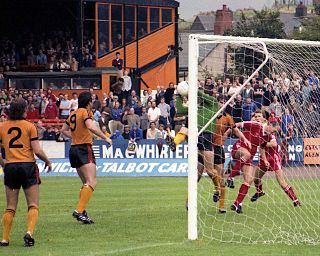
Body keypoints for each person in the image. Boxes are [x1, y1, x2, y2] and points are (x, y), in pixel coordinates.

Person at [0, 98, 52, 247]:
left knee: (10, 206)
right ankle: (29, 232)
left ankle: (5, 238)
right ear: (24, 110)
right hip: (28, 166)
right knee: (33, 204)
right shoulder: (30, 126)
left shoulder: (2, 126)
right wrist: (47, 161)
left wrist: (4, 164)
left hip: (11, 166)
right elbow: (37, 150)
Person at [61, 92, 112, 224]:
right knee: (92, 182)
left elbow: (63, 130)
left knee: (85, 184)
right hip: (84, 149)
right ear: (89, 102)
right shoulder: (86, 112)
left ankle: (83, 213)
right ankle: (79, 210)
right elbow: (90, 126)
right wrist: (105, 137)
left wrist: (75, 136)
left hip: (73, 149)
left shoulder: (73, 113)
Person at [227, 118, 280, 213]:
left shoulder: (268, 137)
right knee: (246, 154)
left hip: (249, 157)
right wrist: (228, 133)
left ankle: (237, 204)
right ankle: (230, 178)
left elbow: (272, 144)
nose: (274, 132)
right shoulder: (256, 125)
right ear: (269, 125)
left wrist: (264, 159)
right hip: (240, 148)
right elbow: (236, 125)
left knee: (249, 180)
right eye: (274, 130)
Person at [251, 133, 301, 207]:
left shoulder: (271, 134)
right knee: (256, 179)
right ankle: (260, 192)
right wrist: (264, 159)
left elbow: (274, 144)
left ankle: (296, 201)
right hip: (263, 159)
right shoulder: (259, 132)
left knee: (282, 182)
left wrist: (263, 143)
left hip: (273, 158)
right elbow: (261, 148)